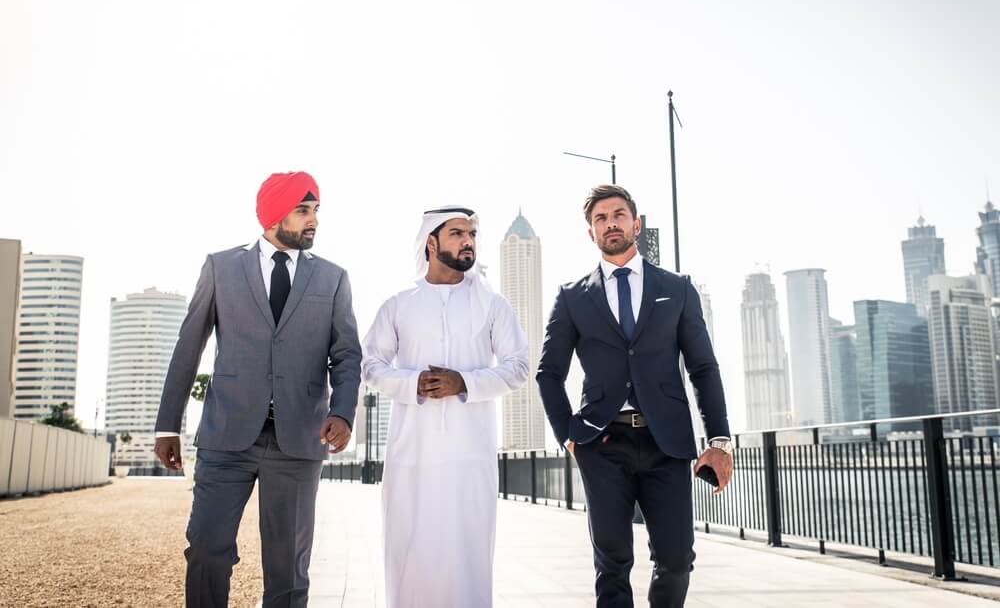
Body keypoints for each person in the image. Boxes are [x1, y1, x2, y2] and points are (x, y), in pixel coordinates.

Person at [153, 171, 362, 608]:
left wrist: (342, 413)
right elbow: (188, 346)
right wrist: (166, 426)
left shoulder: (333, 278)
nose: (314, 221)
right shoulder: (220, 266)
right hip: (226, 437)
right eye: (303, 211)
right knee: (207, 550)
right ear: (273, 214)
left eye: (316, 211)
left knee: (288, 572)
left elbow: (347, 354)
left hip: (299, 441)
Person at [537, 184, 734, 608]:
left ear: (636, 224)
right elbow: (549, 373)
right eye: (601, 219)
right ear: (591, 233)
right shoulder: (572, 297)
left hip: (668, 444)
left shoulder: (677, 288)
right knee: (612, 564)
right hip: (602, 443)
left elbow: (703, 367)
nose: (611, 223)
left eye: (618, 215)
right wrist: (568, 435)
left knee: (677, 559)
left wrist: (718, 440)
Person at [362, 206, 529, 607]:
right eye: (457, 234)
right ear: (431, 243)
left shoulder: (493, 306)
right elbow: (370, 364)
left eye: (471, 234)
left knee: (467, 557)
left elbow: (519, 367)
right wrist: (413, 382)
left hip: (470, 457)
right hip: (411, 456)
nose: (468, 241)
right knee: (409, 552)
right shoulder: (399, 305)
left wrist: (463, 383)